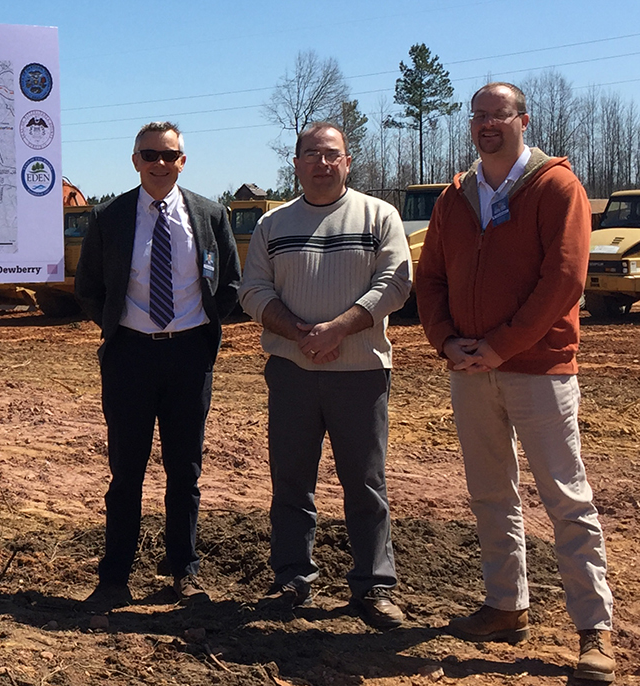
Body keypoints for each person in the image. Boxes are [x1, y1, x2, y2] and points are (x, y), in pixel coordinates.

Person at [416, 82, 615, 682]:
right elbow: (431, 279)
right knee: (490, 494)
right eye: (477, 116)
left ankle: (594, 631)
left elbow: (562, 280)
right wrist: (446, 341)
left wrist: (502, 345)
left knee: (566, 498)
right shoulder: (456, 196)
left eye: (497, 115)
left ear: (522, 120)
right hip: (469, 368)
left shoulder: (557, 187)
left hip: (537, 370)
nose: (486, 125)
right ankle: (507, 606)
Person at [238, 122, 412, 629]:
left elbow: (396, 283)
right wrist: (299, 333)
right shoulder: (273, 225)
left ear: (348, 161)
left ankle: (375, 587)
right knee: (291, 479)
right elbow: (252, 290)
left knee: (366, 482)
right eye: (311, 154)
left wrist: (337, 329)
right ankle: (293, 579)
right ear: (295, 163)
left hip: (360, 373)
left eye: (331, 154)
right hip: (292, 370)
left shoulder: (379, 216)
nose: (322, 162)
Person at [74, 121, 240, 609]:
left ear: (183, 161)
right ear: (135, 160)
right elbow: (89, 287)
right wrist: (119, 326)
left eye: (171, 155)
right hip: (130, 356)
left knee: (185, 471)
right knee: (127, 471)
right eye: (151, 155)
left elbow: (228, 284)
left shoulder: (209, 215)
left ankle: (184, 572)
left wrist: (201, 332)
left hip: (190, 357)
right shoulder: (111, 216)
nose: (161, 164)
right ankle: (114, 577)